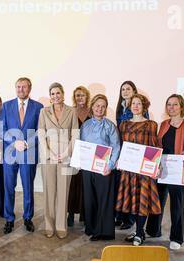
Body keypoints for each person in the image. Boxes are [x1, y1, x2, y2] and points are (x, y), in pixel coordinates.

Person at [145, 94, 184, 250]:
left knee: (177, 205)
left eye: (175, 104)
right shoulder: (164, 124)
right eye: (169, 104)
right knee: (157, 200)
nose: (171, 107)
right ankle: (153, 230)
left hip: (178, 171)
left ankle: (176, 238)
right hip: (162, 168)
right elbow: (158, 146)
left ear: (181, 107)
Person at [116, 93, 161, 246]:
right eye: (133, 103)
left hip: (144, 170)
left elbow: (155, 147)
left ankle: (140, 233)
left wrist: (157, 165)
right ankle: (138, 230)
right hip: (129, 170)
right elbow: (121, 146)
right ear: (130, 106)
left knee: (142, 200)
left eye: (139, 104)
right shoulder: (124, 125)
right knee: (133, 200)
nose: (135, 106)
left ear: (144, 106)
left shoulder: (151, 125)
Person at [1, 77, 44, 234]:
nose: (21, 89)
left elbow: (41, 130)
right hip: (10, 153)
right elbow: (1, 130)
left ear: (30, 88)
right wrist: (14, 143)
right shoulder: (6, 106)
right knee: (8, 187)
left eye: (24, 87)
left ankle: (28, 217)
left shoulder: (38, 107)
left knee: (28, 187)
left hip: (28, 152)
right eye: (18, 87)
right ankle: (9, 219)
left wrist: (26, 143)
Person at [38, 83, 79, 239]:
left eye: (58, 93)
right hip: (48, 158)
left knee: (63, 192)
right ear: (50, 96)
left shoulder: (71, 111)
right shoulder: (44, 112)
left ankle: (61, 226)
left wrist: (66, 153)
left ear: (63, 94)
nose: (55, 96)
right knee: (49, 192)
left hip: (65, 157)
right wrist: (48, 153)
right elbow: (41, 133)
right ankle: (49, 225)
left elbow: (75, 134)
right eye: (53, 93)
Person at [80, 94, 121, 241]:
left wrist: (110, 166)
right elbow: (81, 145)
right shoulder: (85, 126)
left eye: (103, 106)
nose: (100, 108)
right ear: (92, 106)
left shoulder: (110, 126)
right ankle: (91, 228)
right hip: (87, 168)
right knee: (90, 198)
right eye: (97, 105)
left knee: (104, 200)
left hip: (104, 169)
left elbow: (116, 147)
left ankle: (104, 232)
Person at [114, 81, 149, 230]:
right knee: (123, 185)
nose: (125, 91)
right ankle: (121, 216)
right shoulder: (119, 109)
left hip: (135, 153)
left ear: (134, 90)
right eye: (123, 89)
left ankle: (130, 220)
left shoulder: (139, 108)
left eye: (128, 89)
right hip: (122, 149)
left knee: (133, 186)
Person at [67, 86, 91, 227]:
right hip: (74, 151)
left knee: (85, 183)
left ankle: (84, 214)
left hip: (88, 152)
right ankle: (70, 214)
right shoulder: (70, 112)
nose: (79, 97)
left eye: (82, 95)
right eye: (77, 95)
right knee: (72, 184)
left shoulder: (92, 111)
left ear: (87, 96)